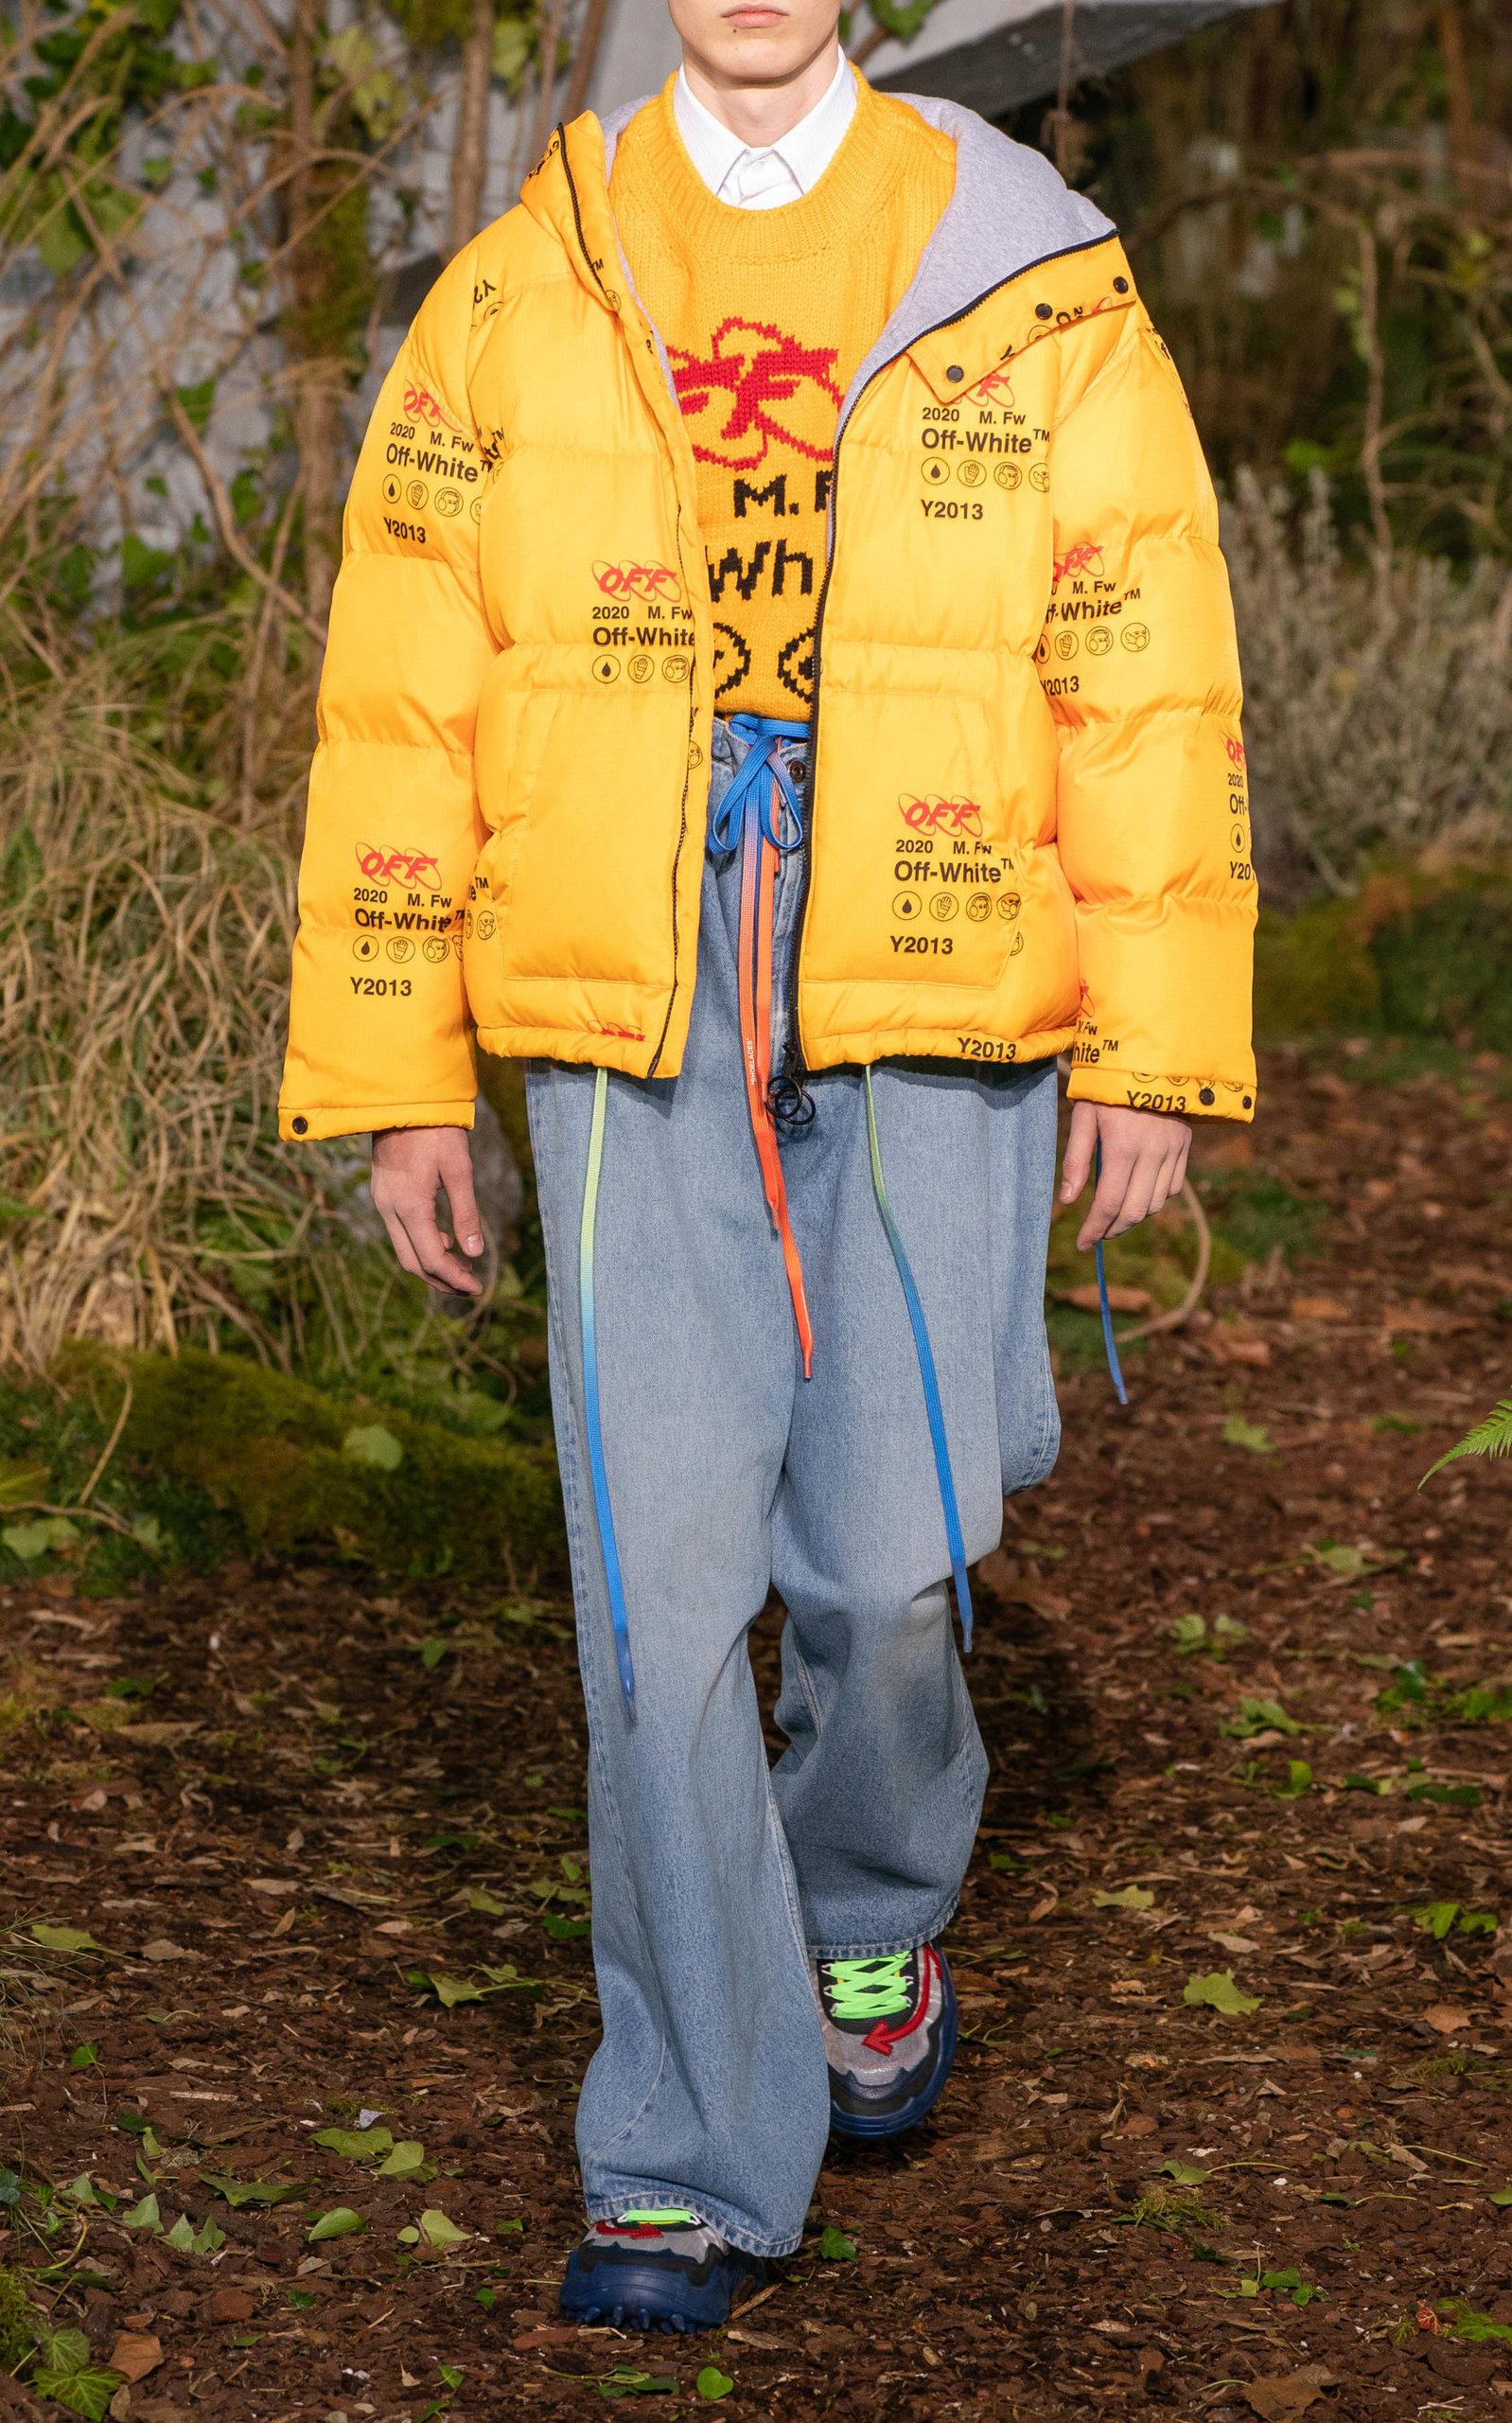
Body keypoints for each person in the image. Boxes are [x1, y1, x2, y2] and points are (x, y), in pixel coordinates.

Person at [279, 0, 1256, 2336]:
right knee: (652, 1595)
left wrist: (1149, 1037)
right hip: (631, 994)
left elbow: (1139, 654)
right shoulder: (529, 278)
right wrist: (403, 1064)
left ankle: (869, 1902)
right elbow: (407, 679)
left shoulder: (1028, 264)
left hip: (929, 957)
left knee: (900, 1559)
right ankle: (688, 2143)